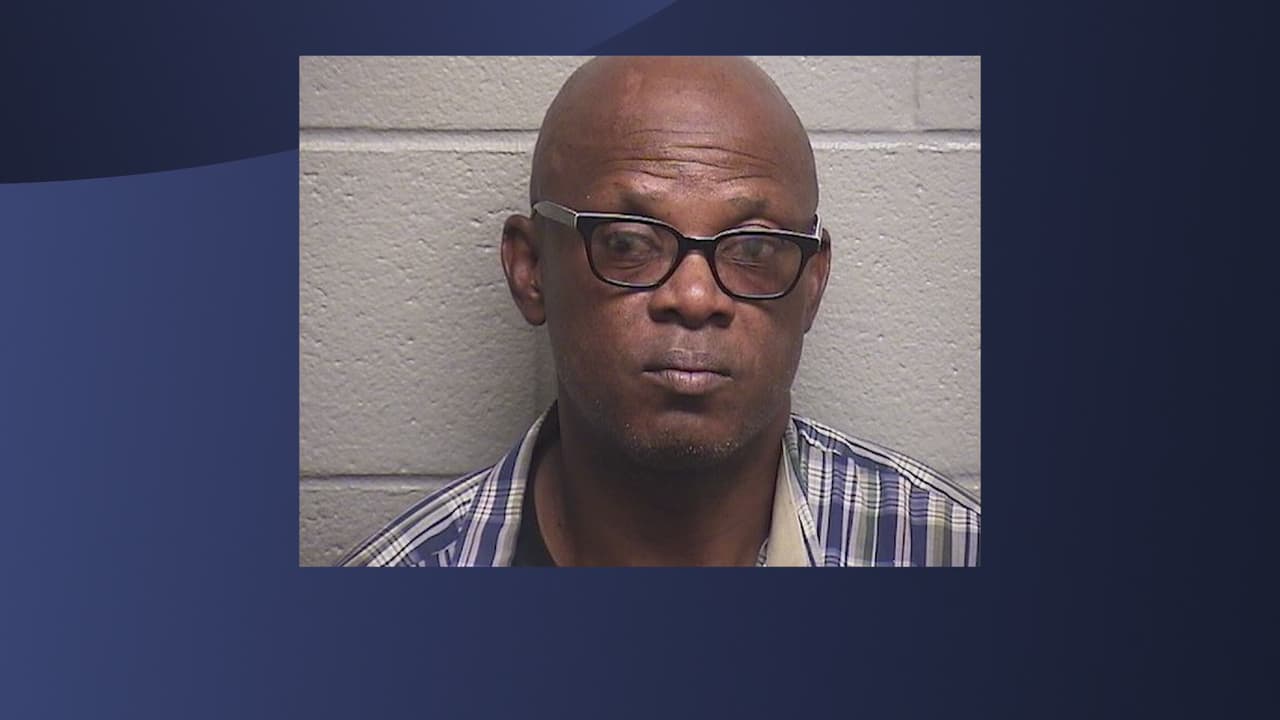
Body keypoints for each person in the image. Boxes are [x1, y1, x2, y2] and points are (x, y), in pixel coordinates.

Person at [340, 56, 980, 567]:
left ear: (812, 284)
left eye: (754, 248)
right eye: (628, 243)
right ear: (531, 270)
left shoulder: (952, 553)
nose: (695, 298)